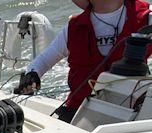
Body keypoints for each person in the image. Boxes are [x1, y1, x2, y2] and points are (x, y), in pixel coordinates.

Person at [16, 0, 152, 122]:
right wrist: (32, 75)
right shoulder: (73, 28)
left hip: (133, 115)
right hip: (81, 114)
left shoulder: (147, 18)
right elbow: (43, 61)